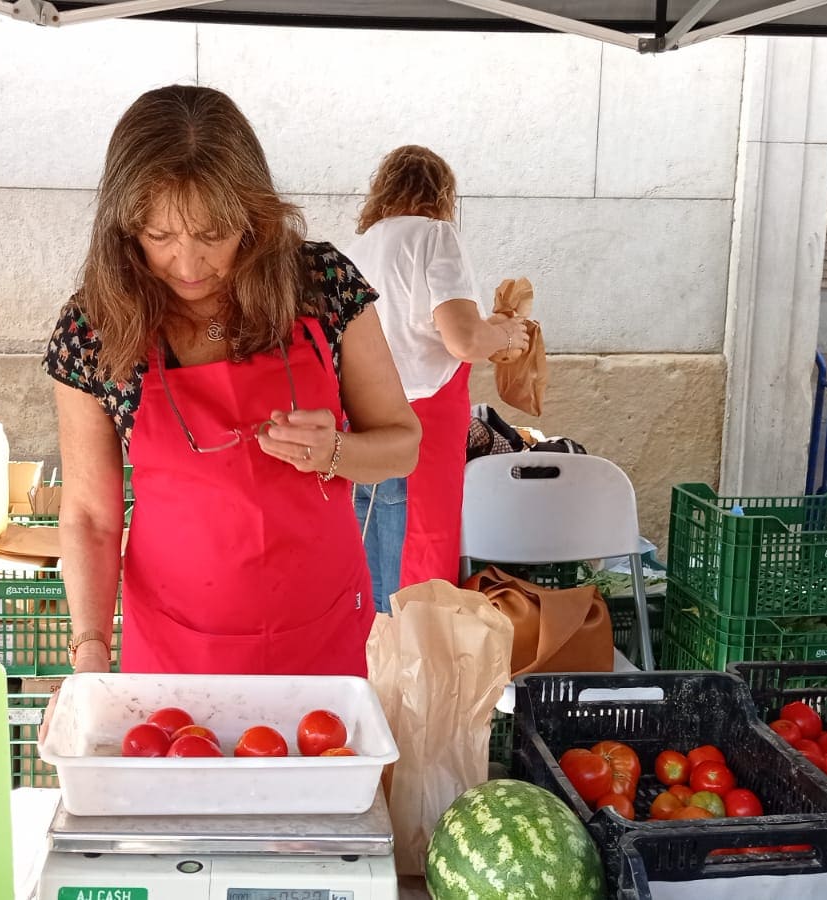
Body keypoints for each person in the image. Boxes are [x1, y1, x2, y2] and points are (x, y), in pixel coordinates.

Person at [43, 85, 420, 678]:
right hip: (177, 646)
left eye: (213, 235)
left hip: (322, 633)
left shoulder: (320, 285)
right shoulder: (93, 328)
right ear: (124, 226)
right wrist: (90, 649)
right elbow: (90, 514)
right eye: (160, 237)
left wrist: (337, 451)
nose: (188, 266)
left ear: (254, 218)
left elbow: (402, 444)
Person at [344, 146, 529, 612]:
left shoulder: (356, 249)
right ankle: (411, 673)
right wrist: (505, 333)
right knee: (420, 555)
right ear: (442, 194)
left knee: (366, 557)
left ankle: (370, 672)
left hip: (360, 421)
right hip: (422, 426)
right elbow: (464, 339)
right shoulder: (435, 236)